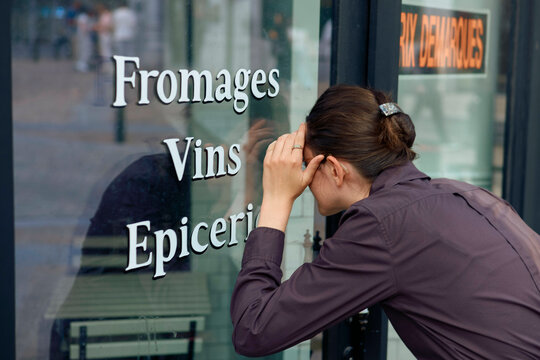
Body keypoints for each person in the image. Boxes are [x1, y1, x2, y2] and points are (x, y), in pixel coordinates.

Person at [230, 85, 540, 359]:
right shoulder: (465, 194)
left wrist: (275, 199)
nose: (303, 180)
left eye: (305, 165)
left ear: (335, 169)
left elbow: (254, 329)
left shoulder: (381, 225)